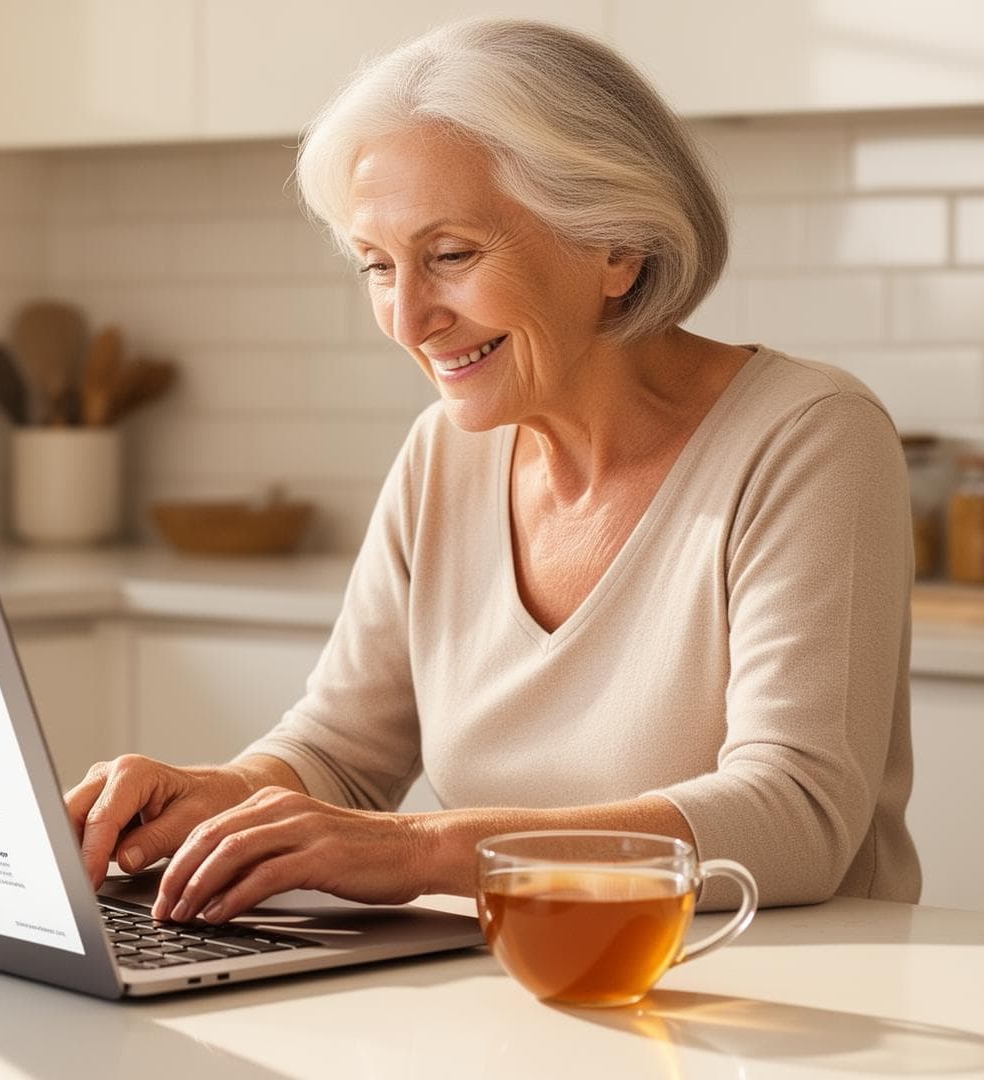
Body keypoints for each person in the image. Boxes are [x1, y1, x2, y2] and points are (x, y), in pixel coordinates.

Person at [65, 17, 919, 926]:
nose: (409, 317)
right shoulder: (445, 455)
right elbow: (344, 752)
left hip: (776, 1009)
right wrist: (220, 797)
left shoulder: (809, 436)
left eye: (451, 255)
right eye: (378, 266)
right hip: (514, 993)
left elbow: (799, 814)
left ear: (616, 247)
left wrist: (421, 850)